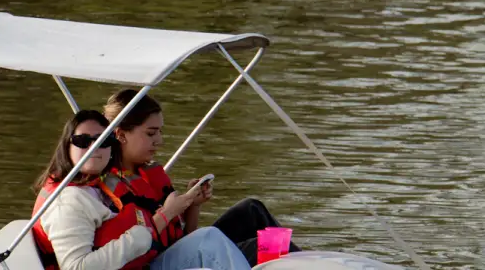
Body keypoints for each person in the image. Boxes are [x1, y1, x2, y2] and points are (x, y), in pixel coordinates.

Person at [32, 109, 251, 270]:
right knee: (209, 240)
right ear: (67, 146)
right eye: (82, 140)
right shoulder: (68, 200)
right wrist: (149, 229)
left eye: (103, 140)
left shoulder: (99, 187)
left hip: (141, 263)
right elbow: (76, 268)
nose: (94, 148)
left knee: (238, 221)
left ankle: (264, 250)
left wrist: (190, 206)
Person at [103, 90, 302, 265]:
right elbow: (129, 252)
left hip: (182, 254)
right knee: (262, 247)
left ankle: (305, 261)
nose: (159, 141)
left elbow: (187, 238)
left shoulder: (148, 174)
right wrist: (168, 213)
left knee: (252, 209)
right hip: (154, 264)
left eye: (160, 132)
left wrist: (193, 205)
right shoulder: (106, 190)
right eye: (151, 133)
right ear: (121, 135)